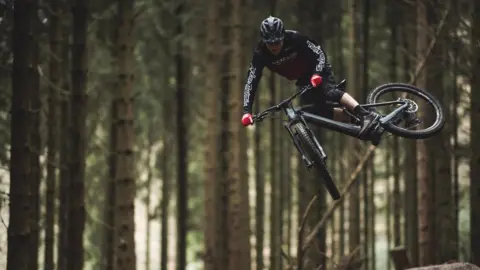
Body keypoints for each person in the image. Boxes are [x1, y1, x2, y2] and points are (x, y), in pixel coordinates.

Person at [241, 16, 380, 140]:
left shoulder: (295, 38)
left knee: (329, 92)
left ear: (282, 36)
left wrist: (317, 73)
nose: (274, 47)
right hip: (303, 80)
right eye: (270, 43)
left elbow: (319, 53)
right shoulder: (260, 54)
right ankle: (357, 121)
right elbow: (251, 82)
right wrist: (247, 111)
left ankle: (365, 114)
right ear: (264, 41)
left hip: (318, 69)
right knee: (312, 113)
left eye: (277, 42)